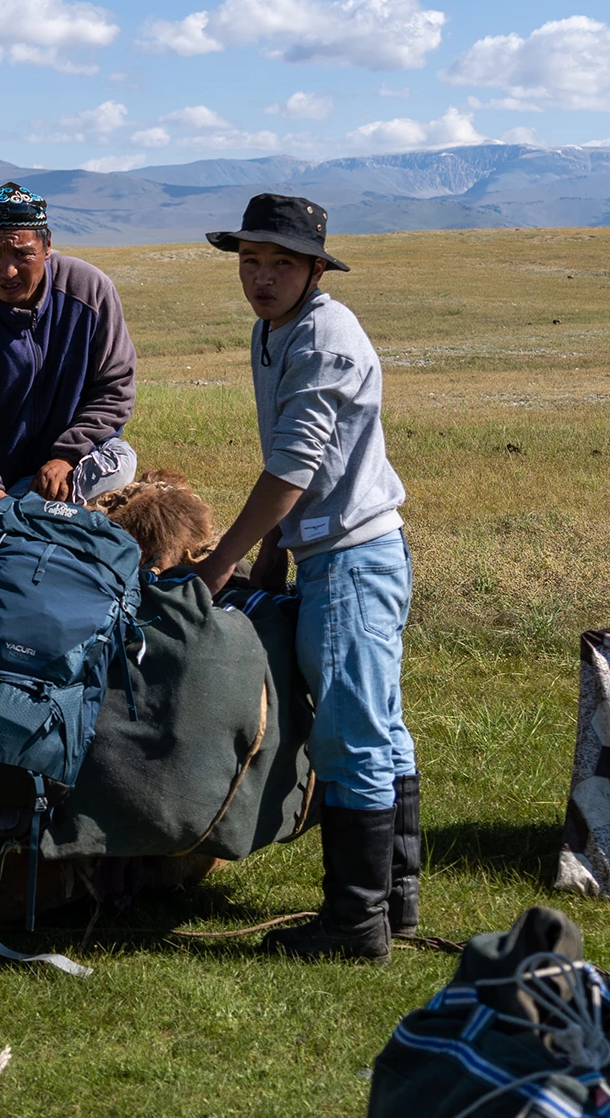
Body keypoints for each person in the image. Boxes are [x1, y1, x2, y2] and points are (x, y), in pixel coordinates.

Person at [196, 193, 421, 962]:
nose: (260, 278)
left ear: (315, 269)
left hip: (353, 559)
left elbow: (294, 465)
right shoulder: (277, 329)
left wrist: (224, 555)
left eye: (280, 264)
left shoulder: (324, 339)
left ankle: (356, 927)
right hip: (340, 549)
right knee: (376, 724)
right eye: (250, 262)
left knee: (352, 733)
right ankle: (395, 900)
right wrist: (275, 549)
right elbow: (309, 467)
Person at [0, 181, 138, 502]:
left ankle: (24, 516)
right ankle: (24, 511)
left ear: (47, 248)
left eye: (23, 254)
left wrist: (66, 456)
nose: (7, 271)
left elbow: (115, 387)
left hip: (75, 462)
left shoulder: (89, 291)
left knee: (120, 461)